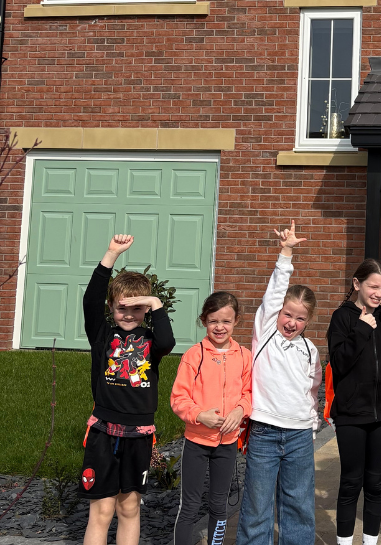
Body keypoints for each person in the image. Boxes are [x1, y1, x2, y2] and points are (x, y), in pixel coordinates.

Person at [80, 234, 176, 545]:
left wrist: (155, 303)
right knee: (102, 510)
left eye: (137, 309)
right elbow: (90, 300)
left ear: (146, 310)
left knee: (130, 506)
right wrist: (111, 254)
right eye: (122, 308)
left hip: (139, 434)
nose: (129, 315)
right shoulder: (101, 334)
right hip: (103, 432)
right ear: (111, 307)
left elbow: (168, 342)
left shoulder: (151, 341)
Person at [235, 221, 323, 545]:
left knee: (299, 507)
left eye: (300, 318)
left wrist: (311, 425)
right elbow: (275, 290)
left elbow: (311, 392)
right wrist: (286, 252)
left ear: (308, 321)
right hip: (265, 432)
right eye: (288, 314)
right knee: (258, 507)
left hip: (300, 436)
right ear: (278, 312)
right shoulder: (267, 330)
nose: (292, 322)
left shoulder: (310, 350)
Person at [326, 259, 381, 545]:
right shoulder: (342, 317)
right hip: (351, 414)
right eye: (373, 286)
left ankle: (370, 541)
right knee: (351, 481)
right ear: (357, 284)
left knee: (376, 482)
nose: (378, 293)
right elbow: (339, 363)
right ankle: (343, 542)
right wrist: (362, 328)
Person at [171, 290, 253, 545]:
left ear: (236, 321)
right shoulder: (194, 355)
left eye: (226, 321)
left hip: (227, 443)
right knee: (190, 505)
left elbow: (249, 393)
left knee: (219, 504)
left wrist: (241, 410)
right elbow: (178, 398)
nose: (219, 327)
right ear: (204, 320)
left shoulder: (244, 356)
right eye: (213, 321)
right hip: (196, 441)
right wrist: (199, 415)